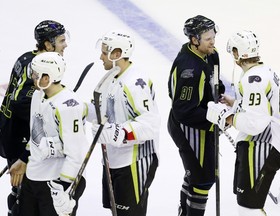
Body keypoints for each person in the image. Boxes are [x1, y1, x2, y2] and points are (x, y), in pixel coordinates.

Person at [206, 30, 280, 216]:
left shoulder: (252, 80)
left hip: (261, 145)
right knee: (248, 204)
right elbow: (260, 109)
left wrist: (225, 117)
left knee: (248, 208)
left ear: (237, 52)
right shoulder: (263, 71)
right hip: (267, 144)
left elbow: (254, 124)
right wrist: (234, 103)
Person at [0, 20, 68, 215]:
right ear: (48, 44)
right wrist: (53, 106)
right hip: (19, 137)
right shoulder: (39, 67)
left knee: (22, 193)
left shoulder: (27, 57)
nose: (65, 45)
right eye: (61, 40)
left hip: (10, 132)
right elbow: (20, 101)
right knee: (25, 196)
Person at [89, 29, 160, 216]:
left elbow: (150, 124)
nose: (100, 57)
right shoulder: (110, 77)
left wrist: (116, 132)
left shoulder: (136, 82)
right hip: (113, 160)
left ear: (117, 54)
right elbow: (100, 110)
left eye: (105, 52)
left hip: (134, 161)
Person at [167, 15, 225, 216]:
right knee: (203, 179)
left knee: (198, 175)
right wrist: (216, 119)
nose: (213, 41)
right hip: (188, 128)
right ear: (194, 40)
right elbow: (184, 111)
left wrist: (219, 96)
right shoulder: (190, 69)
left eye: (213, 35)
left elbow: (215, 82)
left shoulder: (211, 54)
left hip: (202, 121)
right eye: (207, 37)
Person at [18, 52, 88, 216]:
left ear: (46, 78)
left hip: (54, 181)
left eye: (35, 74)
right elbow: (36, 134)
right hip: (33, 176)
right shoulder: (38, 95)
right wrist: (24, 158)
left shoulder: (67, 106)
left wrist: (63, 187)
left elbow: (76, 153)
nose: (32, 77)